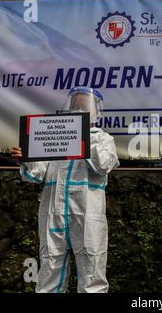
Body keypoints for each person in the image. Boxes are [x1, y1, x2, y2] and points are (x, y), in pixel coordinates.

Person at [11, 86, 119, 293]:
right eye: (75, 103)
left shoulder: (103, 139)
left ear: (96, 109)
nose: (79, 107)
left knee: (91, 270)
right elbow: (37, 174)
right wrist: (25, 159)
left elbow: (103, 165)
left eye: (84, 103)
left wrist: (83, 137)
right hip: (53, 212)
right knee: (50, 267)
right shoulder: (55, 136)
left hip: (87, 214)